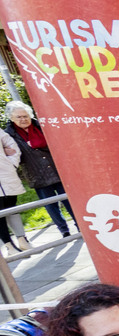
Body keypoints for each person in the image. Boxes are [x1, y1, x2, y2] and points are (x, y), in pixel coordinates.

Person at [4, 102, 74, 238]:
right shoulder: (9, 135)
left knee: (69, 200)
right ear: (12, 118)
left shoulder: (41, 126)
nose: (23, 119)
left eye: (26, 116)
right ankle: (64, 230)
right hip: (36, 174)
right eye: (19, 117)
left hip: (56, 170)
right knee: (50, 205)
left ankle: (80, 225)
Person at [0, 125, 30, 254]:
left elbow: (12, 145)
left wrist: (11, 163)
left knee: (12, 208)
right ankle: (9, 245)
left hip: (6, 175)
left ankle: (22, 240)